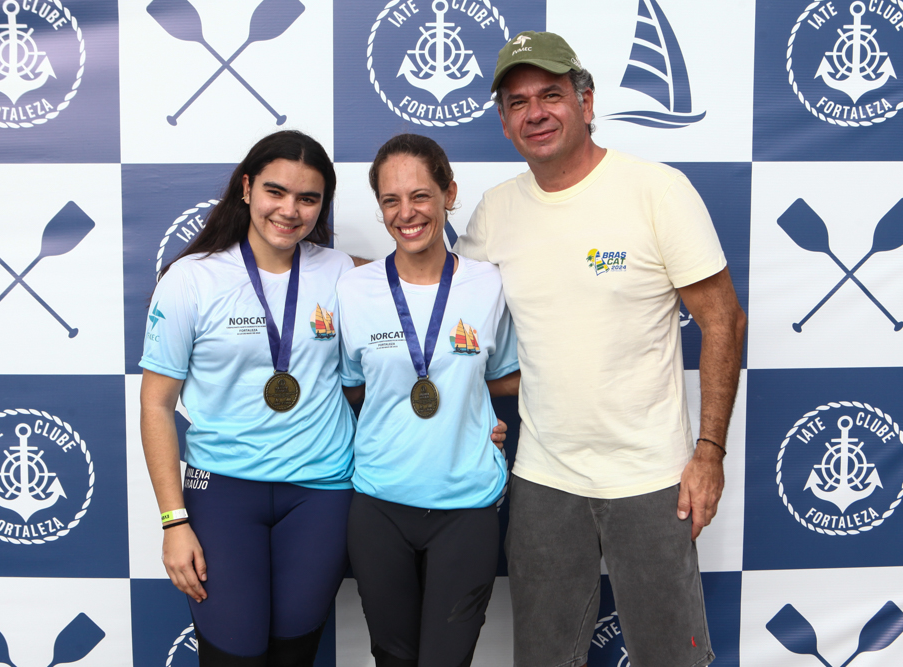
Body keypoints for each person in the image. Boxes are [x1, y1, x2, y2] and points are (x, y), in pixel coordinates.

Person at [454, 32, 747, 667]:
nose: (536, 111)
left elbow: (722, 320)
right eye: (518, 101)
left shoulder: (656, 191)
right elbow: (444, 318)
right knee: (543, 657)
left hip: (652, 477)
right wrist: (349, 277)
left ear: (587, 103)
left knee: (674, 656)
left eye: (551, 94)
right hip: (543, 479)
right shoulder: (495, 211)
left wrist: (709, 452)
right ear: (504, 123)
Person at [139, 130, 358, 667]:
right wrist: (173, 521)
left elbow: (385, 372)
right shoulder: (191, 279)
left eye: (308, 198)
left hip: (322, 495)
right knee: (234, 655)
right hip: (223, 494)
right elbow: (156, 405)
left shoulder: (342, 272)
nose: (290, 210)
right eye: (275, 192)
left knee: (293, 654)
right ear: (246, 188)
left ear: (323, 205)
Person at [337, 134, 521, 667]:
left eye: (420, 195)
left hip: (465, 504)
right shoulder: (355, 289)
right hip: (378, 501)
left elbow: (504, 377)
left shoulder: (488, 285)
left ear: (449, 194)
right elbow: (353, 386)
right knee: (392, 659)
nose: (406, 213)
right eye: (391, 201)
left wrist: (468, 407)